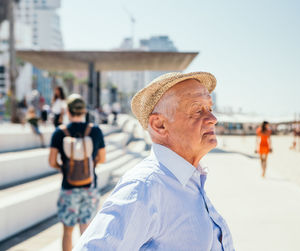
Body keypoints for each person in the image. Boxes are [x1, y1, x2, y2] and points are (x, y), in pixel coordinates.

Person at [73, 72, 234, 251]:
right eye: (197, 110)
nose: (213, 119)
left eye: (210, 109)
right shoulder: (144, 187)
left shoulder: (189, 180)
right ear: (159, 125)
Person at [49, 94, 106, 251]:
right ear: (84, 111)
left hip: (68, 187)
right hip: (90, 186)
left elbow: (52, 161)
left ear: (68, 111)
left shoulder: (60, 132)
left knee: (67, 231)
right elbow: (102, 158)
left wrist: (64, 168)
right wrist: (90, 164)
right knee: (86, 230)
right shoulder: (95, 131)